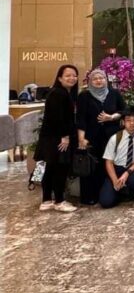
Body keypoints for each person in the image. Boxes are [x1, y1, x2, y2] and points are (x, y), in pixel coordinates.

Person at [76, 68, 125, 205]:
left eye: (101, 78)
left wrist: (111, 117)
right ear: (90, 81)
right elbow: (80, 118)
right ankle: (90, 196)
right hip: (92, 137)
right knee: (92, 166)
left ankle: (112, 192)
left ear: (106, 79)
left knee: (109, 164)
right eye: (95, 79)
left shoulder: (114, 93)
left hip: (111, 136)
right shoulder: (84, 96)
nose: (99, 81)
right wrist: (81, 138)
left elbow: (124, 111)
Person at [36, 64, 80, 213]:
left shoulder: (62, 93)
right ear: (60, 78)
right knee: (60, 169)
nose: (72, 78)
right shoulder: (58, 94)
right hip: (58, 139)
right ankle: (59, 201)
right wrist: (65, 136)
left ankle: (46, 200)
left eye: (74, 75)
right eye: (68, 75)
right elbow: (58, 118)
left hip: (51, 138)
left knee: (51, 168)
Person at [99, 107, 134, 208]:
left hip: (133, 169)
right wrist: (114, 180)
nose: (132, 123)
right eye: (128, 120)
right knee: (106, 202)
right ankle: (120, 192)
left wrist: (127, 173)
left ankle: (131, 191)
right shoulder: (115, 138)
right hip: (117, 169)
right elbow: (109, 162)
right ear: (123, 122)